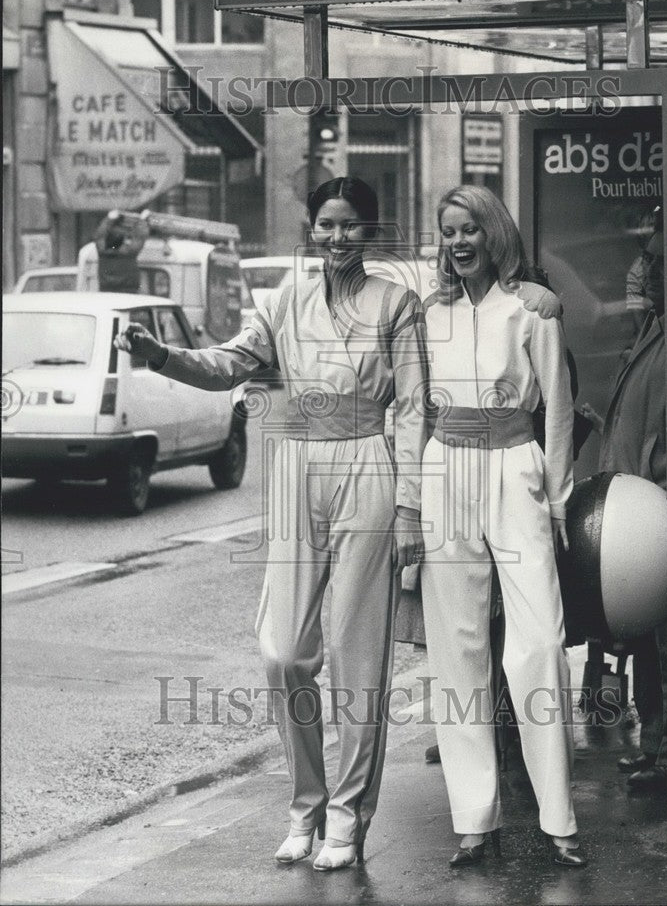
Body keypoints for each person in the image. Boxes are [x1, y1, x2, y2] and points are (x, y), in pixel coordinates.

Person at [115, 177, 430, 870]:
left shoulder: (397, 304)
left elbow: (411, 409)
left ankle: (347, 817)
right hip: (297, 469)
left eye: (351, 224)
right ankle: (305, 806)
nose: (338, 236)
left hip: (368, 467)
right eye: (327, 224)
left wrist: (410, 504)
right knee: (283, 652)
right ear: (312, 229)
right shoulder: (287, 300)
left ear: (370, 231)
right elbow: (230, 363)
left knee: (356, 657)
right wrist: (162, 356)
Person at [419, 184, 586, 868]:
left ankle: (559, 819)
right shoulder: (429, 314)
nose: (459, 243)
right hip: (446, 469)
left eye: (470, 231)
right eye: (449, 232)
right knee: (457, 652)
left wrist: (556, 500)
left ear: (494, 234)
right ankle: (473, 819)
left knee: (539, 642)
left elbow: (559, 412)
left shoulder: (532, 309)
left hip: (515, 469)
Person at [580, 226, 667, 792]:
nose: (646, 272)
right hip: (636, 514)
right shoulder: (654, 330)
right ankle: (658, 743)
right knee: (642, 642)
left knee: (658, 643)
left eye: (656, 261)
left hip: (655, 512)